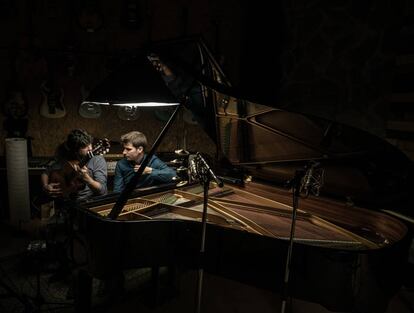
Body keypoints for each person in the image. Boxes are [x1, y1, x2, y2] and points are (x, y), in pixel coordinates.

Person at [41, 128, 108, 201]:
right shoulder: (66, 159)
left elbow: (102, 191)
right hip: (64, 200)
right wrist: (45, 186)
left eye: (90, 144)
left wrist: (87, 179)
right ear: (75, 149)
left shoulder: (97, 160)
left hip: (87, 203)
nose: (90, 148)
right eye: (84, 146)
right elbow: (46, 172)